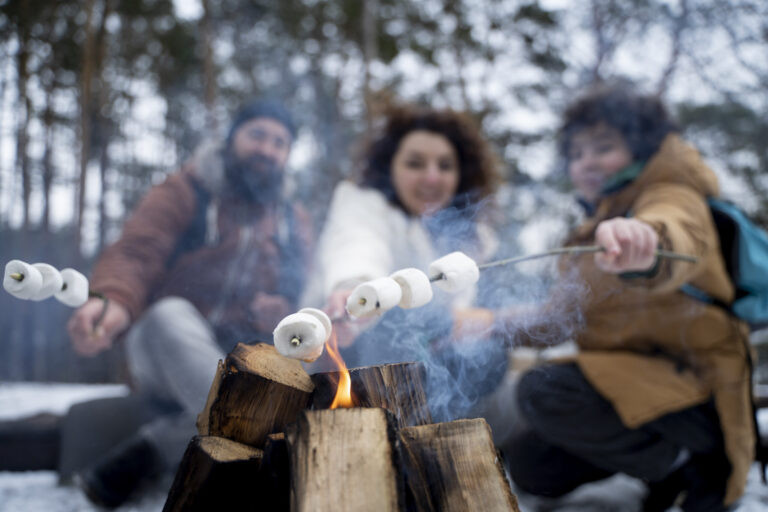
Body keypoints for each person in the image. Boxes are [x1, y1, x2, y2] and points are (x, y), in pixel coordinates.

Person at [492, 83, 753, 511]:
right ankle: (665, 468)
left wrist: (645, 239)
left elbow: (674, 230)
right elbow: (558, 319)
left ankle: (692, 467)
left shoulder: (671, 193)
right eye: (576, 155)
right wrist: (486, 323)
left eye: (603, 147)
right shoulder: (595, 225)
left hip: (698, 393)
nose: (586, 162)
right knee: (531, 464)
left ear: (640, 147)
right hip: (640, 390)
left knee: (544, 388)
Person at [65, 99, 313, 507]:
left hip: (242, 358)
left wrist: (283, 310)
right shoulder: (186, 191)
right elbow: (136, 253)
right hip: (167, 350)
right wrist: (112, 300)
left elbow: (302, 294)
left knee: (300, 377)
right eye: (258, 136)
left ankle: (150, 450)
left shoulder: (292, 219)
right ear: (232, 138)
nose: (267, 149)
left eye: (280, 143)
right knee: (169, 315)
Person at [302, 102, 504, 418]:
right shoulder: (364, 203)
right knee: (397, 320)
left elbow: (458, 316)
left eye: (445, 166)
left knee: (488, 355)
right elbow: (356, 244)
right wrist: (353, 288)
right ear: (389, 167)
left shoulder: (470, 239)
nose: (432, 177)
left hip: (428, 366)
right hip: (351, 350)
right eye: (415, 164)